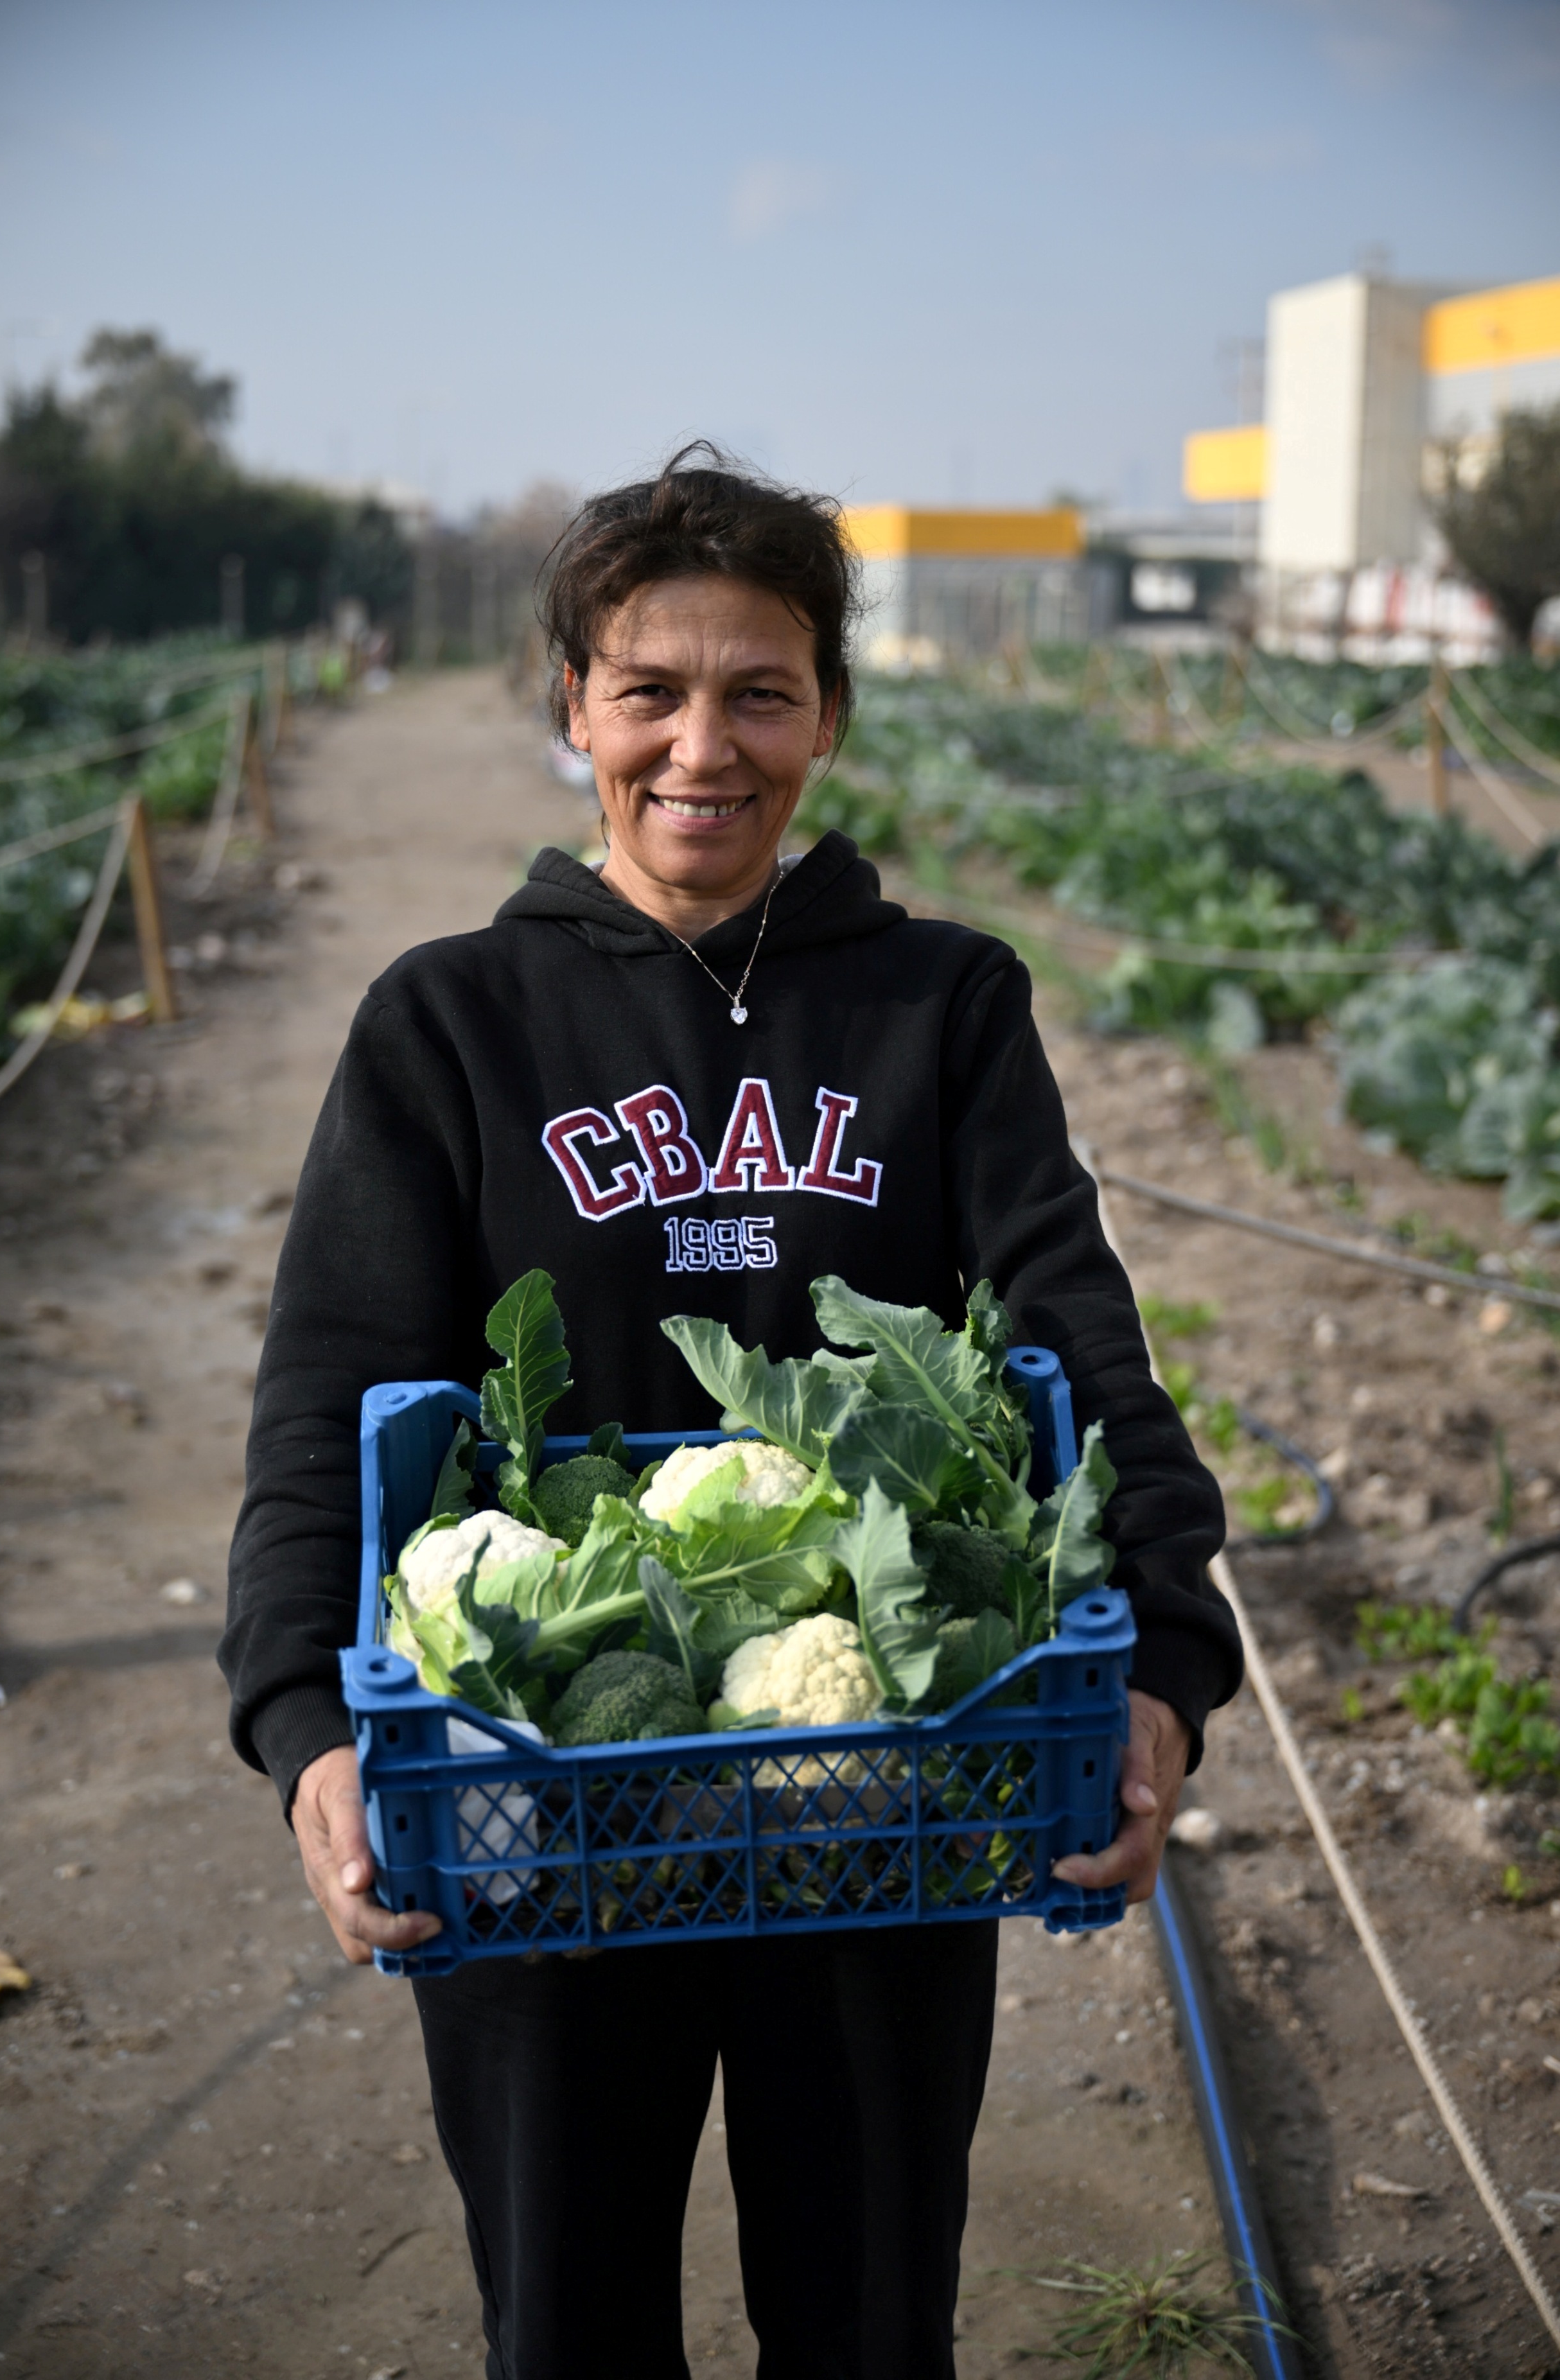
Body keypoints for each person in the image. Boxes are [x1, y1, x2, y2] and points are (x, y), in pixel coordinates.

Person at [220, 444, 1241, 2380]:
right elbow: (325, 1399)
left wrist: (1165, 1658)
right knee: (570, 2325)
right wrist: (301, 1720)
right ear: (575, 713)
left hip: (880, 1791)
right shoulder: (448, 1026)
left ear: (830, 715)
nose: (707, 745)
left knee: (868, 2324)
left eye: (761, 689)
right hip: (536, 1789)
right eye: (651, 691)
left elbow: (1080, 1345)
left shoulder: (942, 1007)